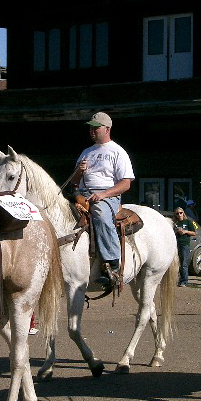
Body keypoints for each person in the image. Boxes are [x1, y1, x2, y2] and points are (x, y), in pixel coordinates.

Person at [71, 112, 135, 288]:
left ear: (107, 129)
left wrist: (103, 194)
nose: (92, 131)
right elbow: (74, 182)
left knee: (100, 215)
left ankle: (112, 266)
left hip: (107, 196)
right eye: (90, 128)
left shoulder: (118, 152)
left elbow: (126, 183)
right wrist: (79, 171)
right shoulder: (86, 152)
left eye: (95, 128)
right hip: (83, 194)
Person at [173, 207, 196, 287]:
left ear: (183, 213)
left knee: (184, 263)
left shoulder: (188, 222)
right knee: (178, 263)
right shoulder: (175, 223)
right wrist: (177, 231)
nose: (179, 215)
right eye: (177, 213)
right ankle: (180, 280)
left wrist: (185, 231)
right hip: (176, 244)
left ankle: (184, 281)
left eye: (180, 213)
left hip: (185, 244)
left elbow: (194, 233)